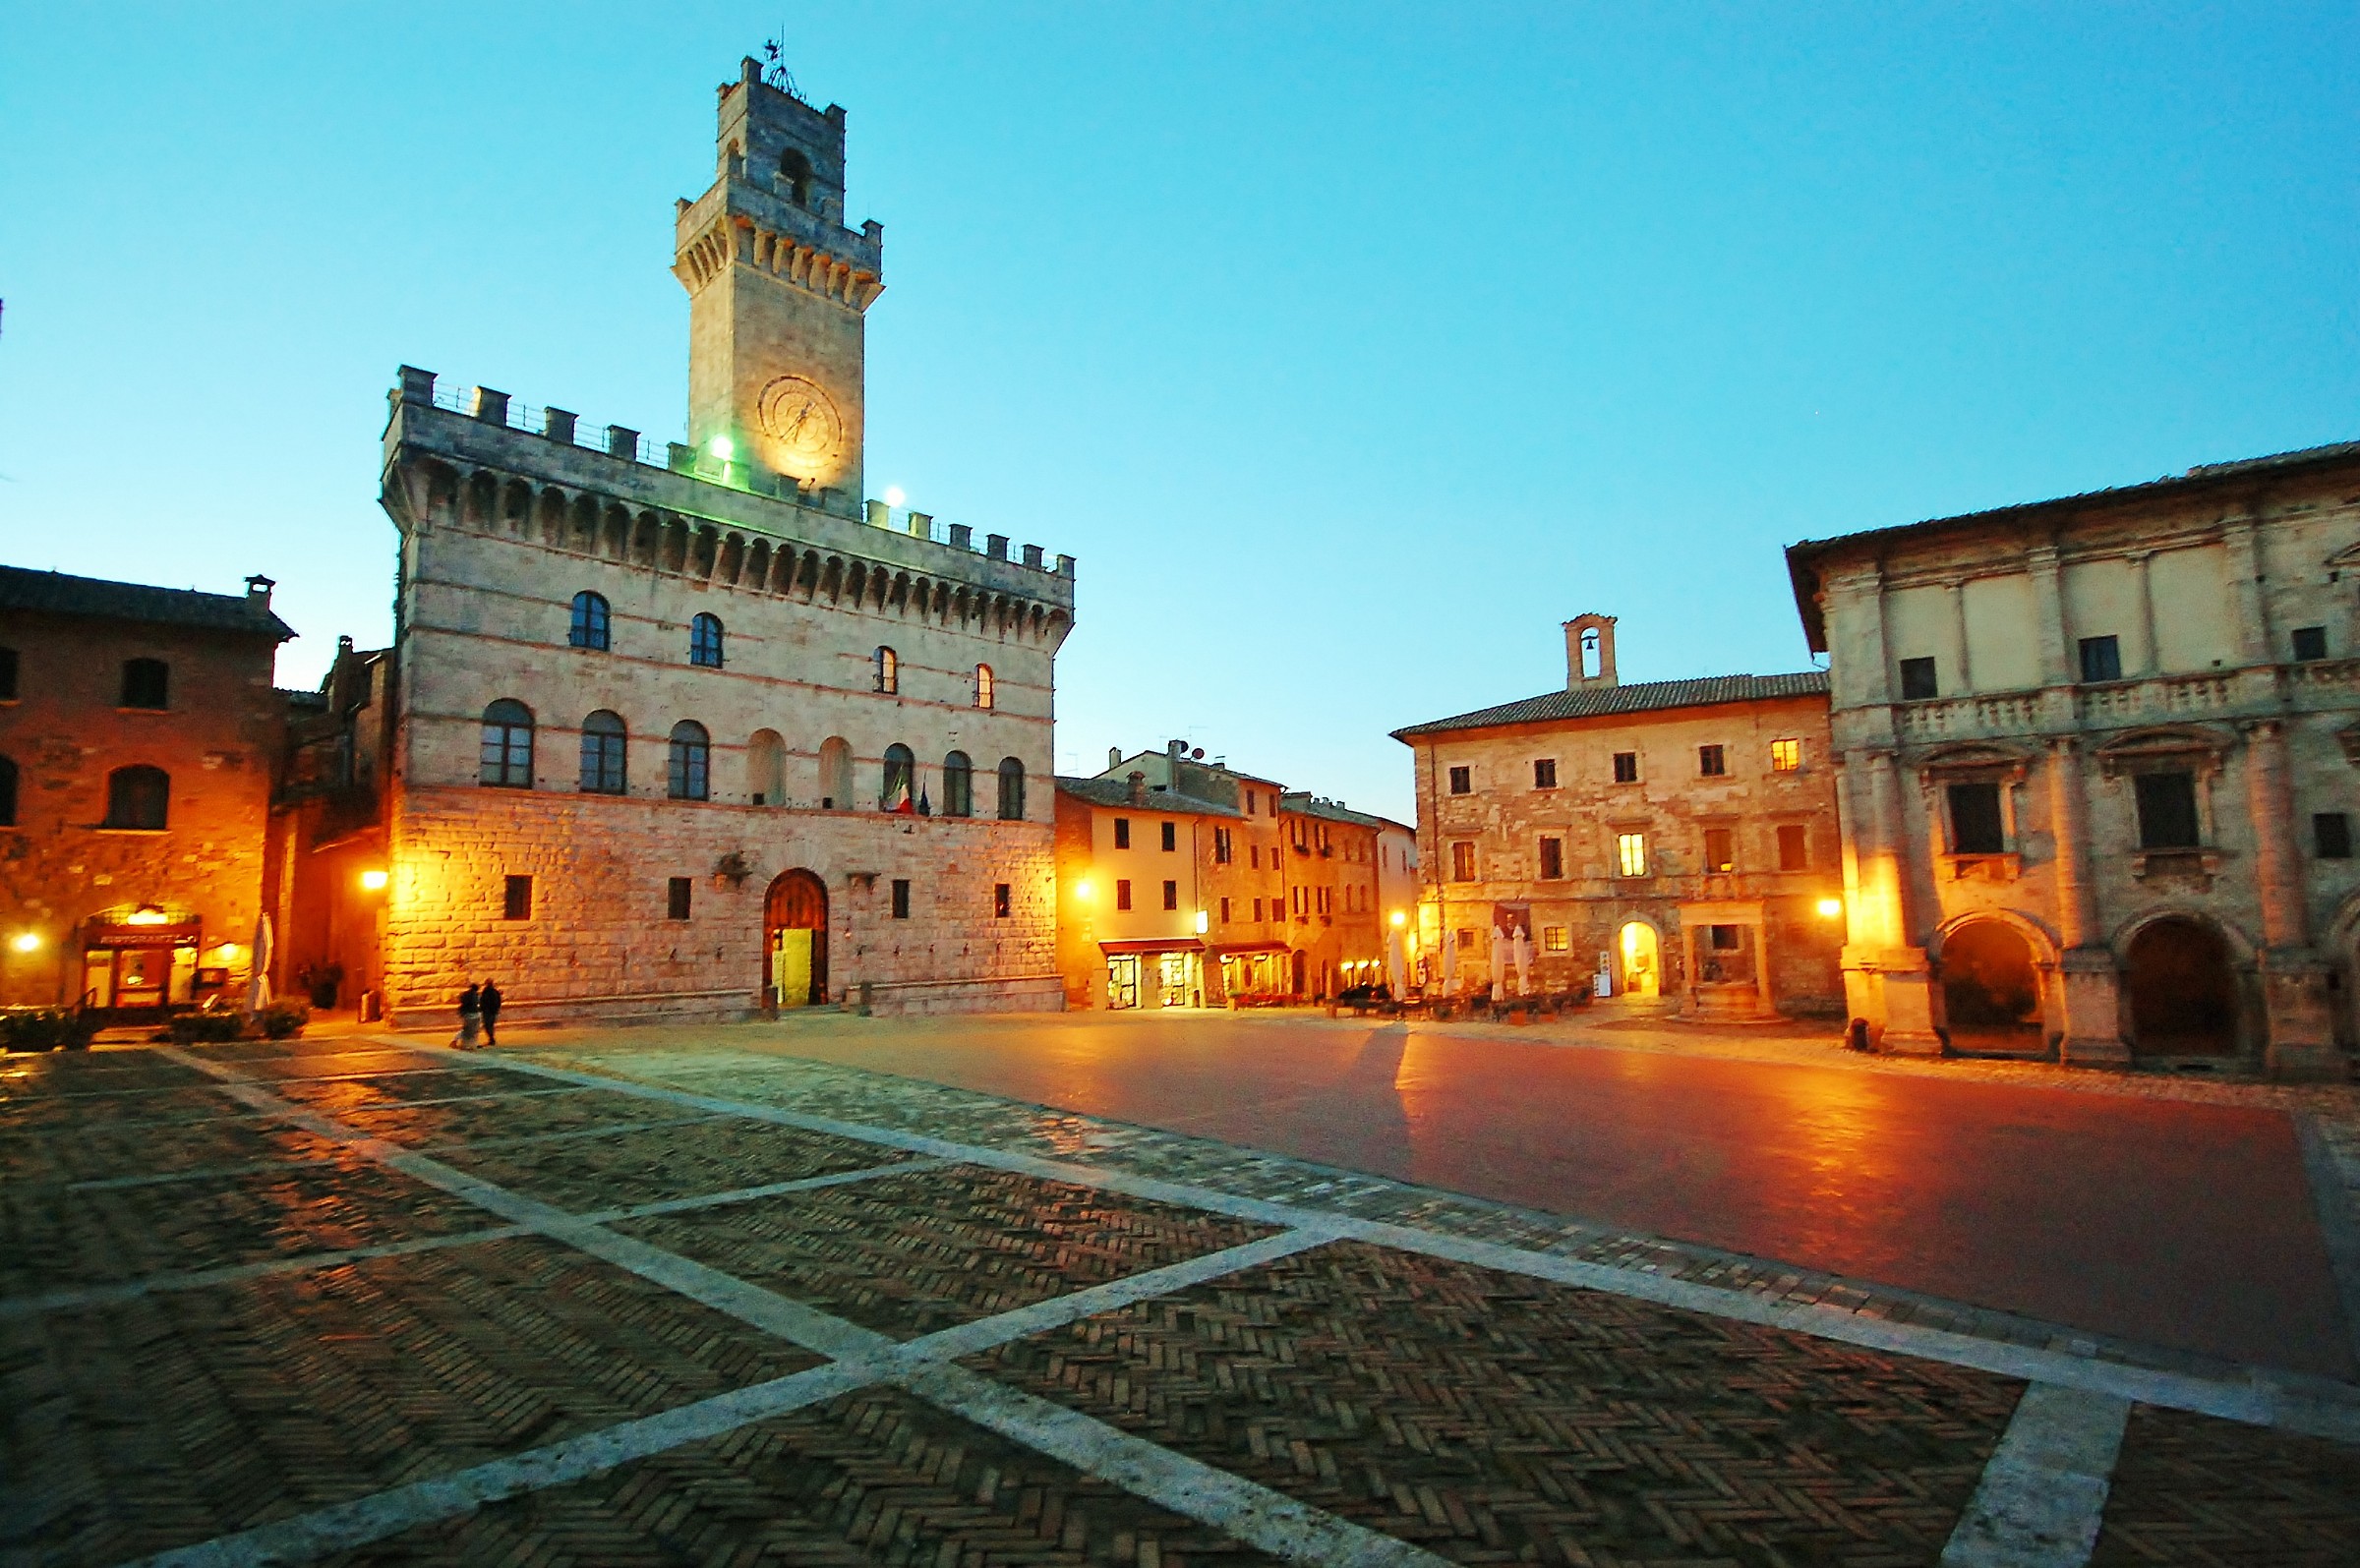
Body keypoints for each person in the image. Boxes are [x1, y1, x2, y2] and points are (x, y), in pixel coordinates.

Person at [454, 982, 481, 1048]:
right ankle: (470, 1044)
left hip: (467, 1014)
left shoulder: (466, 994)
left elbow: (461, 1000)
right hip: (473, 1014)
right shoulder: (475, 995)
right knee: (472, 1030)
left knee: (467, 1029)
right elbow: (477, 1003)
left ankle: (463, 1043)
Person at [478, 980, 503, 1047]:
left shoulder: (486, 992)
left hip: (487, 1012)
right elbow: (499, 1001)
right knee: (490, 1025)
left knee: (487, 1025)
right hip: (493, 1012)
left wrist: (481, 1008)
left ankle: (491, 1039)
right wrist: (496, 1010)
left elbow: (483, 1001)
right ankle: (491, 1039)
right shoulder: (495, 992)